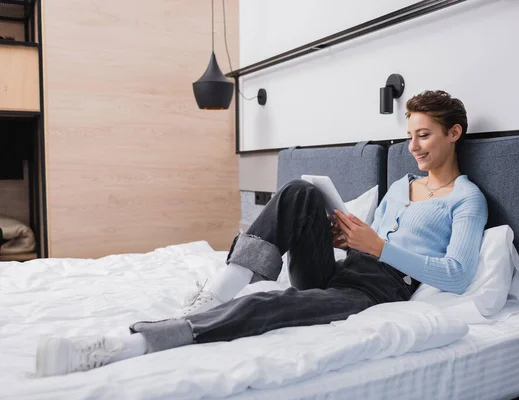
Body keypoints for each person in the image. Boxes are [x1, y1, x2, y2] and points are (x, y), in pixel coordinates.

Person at [35, 90, 488, 377]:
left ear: (454, 133)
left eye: (424, 135)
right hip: (347, 267)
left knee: (273, 300)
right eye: (409, 136)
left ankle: (130, 344)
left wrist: (381, 248)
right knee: (300, 191)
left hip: (378, 291)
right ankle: (218, 290)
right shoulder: (399, 186)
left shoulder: (466, 200)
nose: (413, 148)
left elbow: (456, 274)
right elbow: (370, 237)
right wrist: (348, 236)